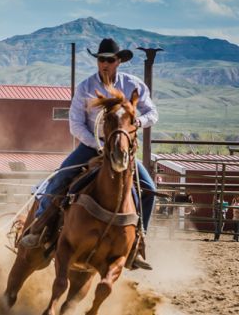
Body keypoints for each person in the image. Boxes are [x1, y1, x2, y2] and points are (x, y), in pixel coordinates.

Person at [19, 38, 159, 270]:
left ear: (118, 61)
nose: (104, 63)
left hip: (122, 146)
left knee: (148, 188)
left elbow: (152, 112)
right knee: (60, 178)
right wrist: (96, 144)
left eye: (109, 60)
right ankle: (40, 228)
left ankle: (137, 243)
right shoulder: (85, 87)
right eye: (101, 59)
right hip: (91, 145)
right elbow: (75, 123)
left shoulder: (133, 85)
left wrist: (135, 122)